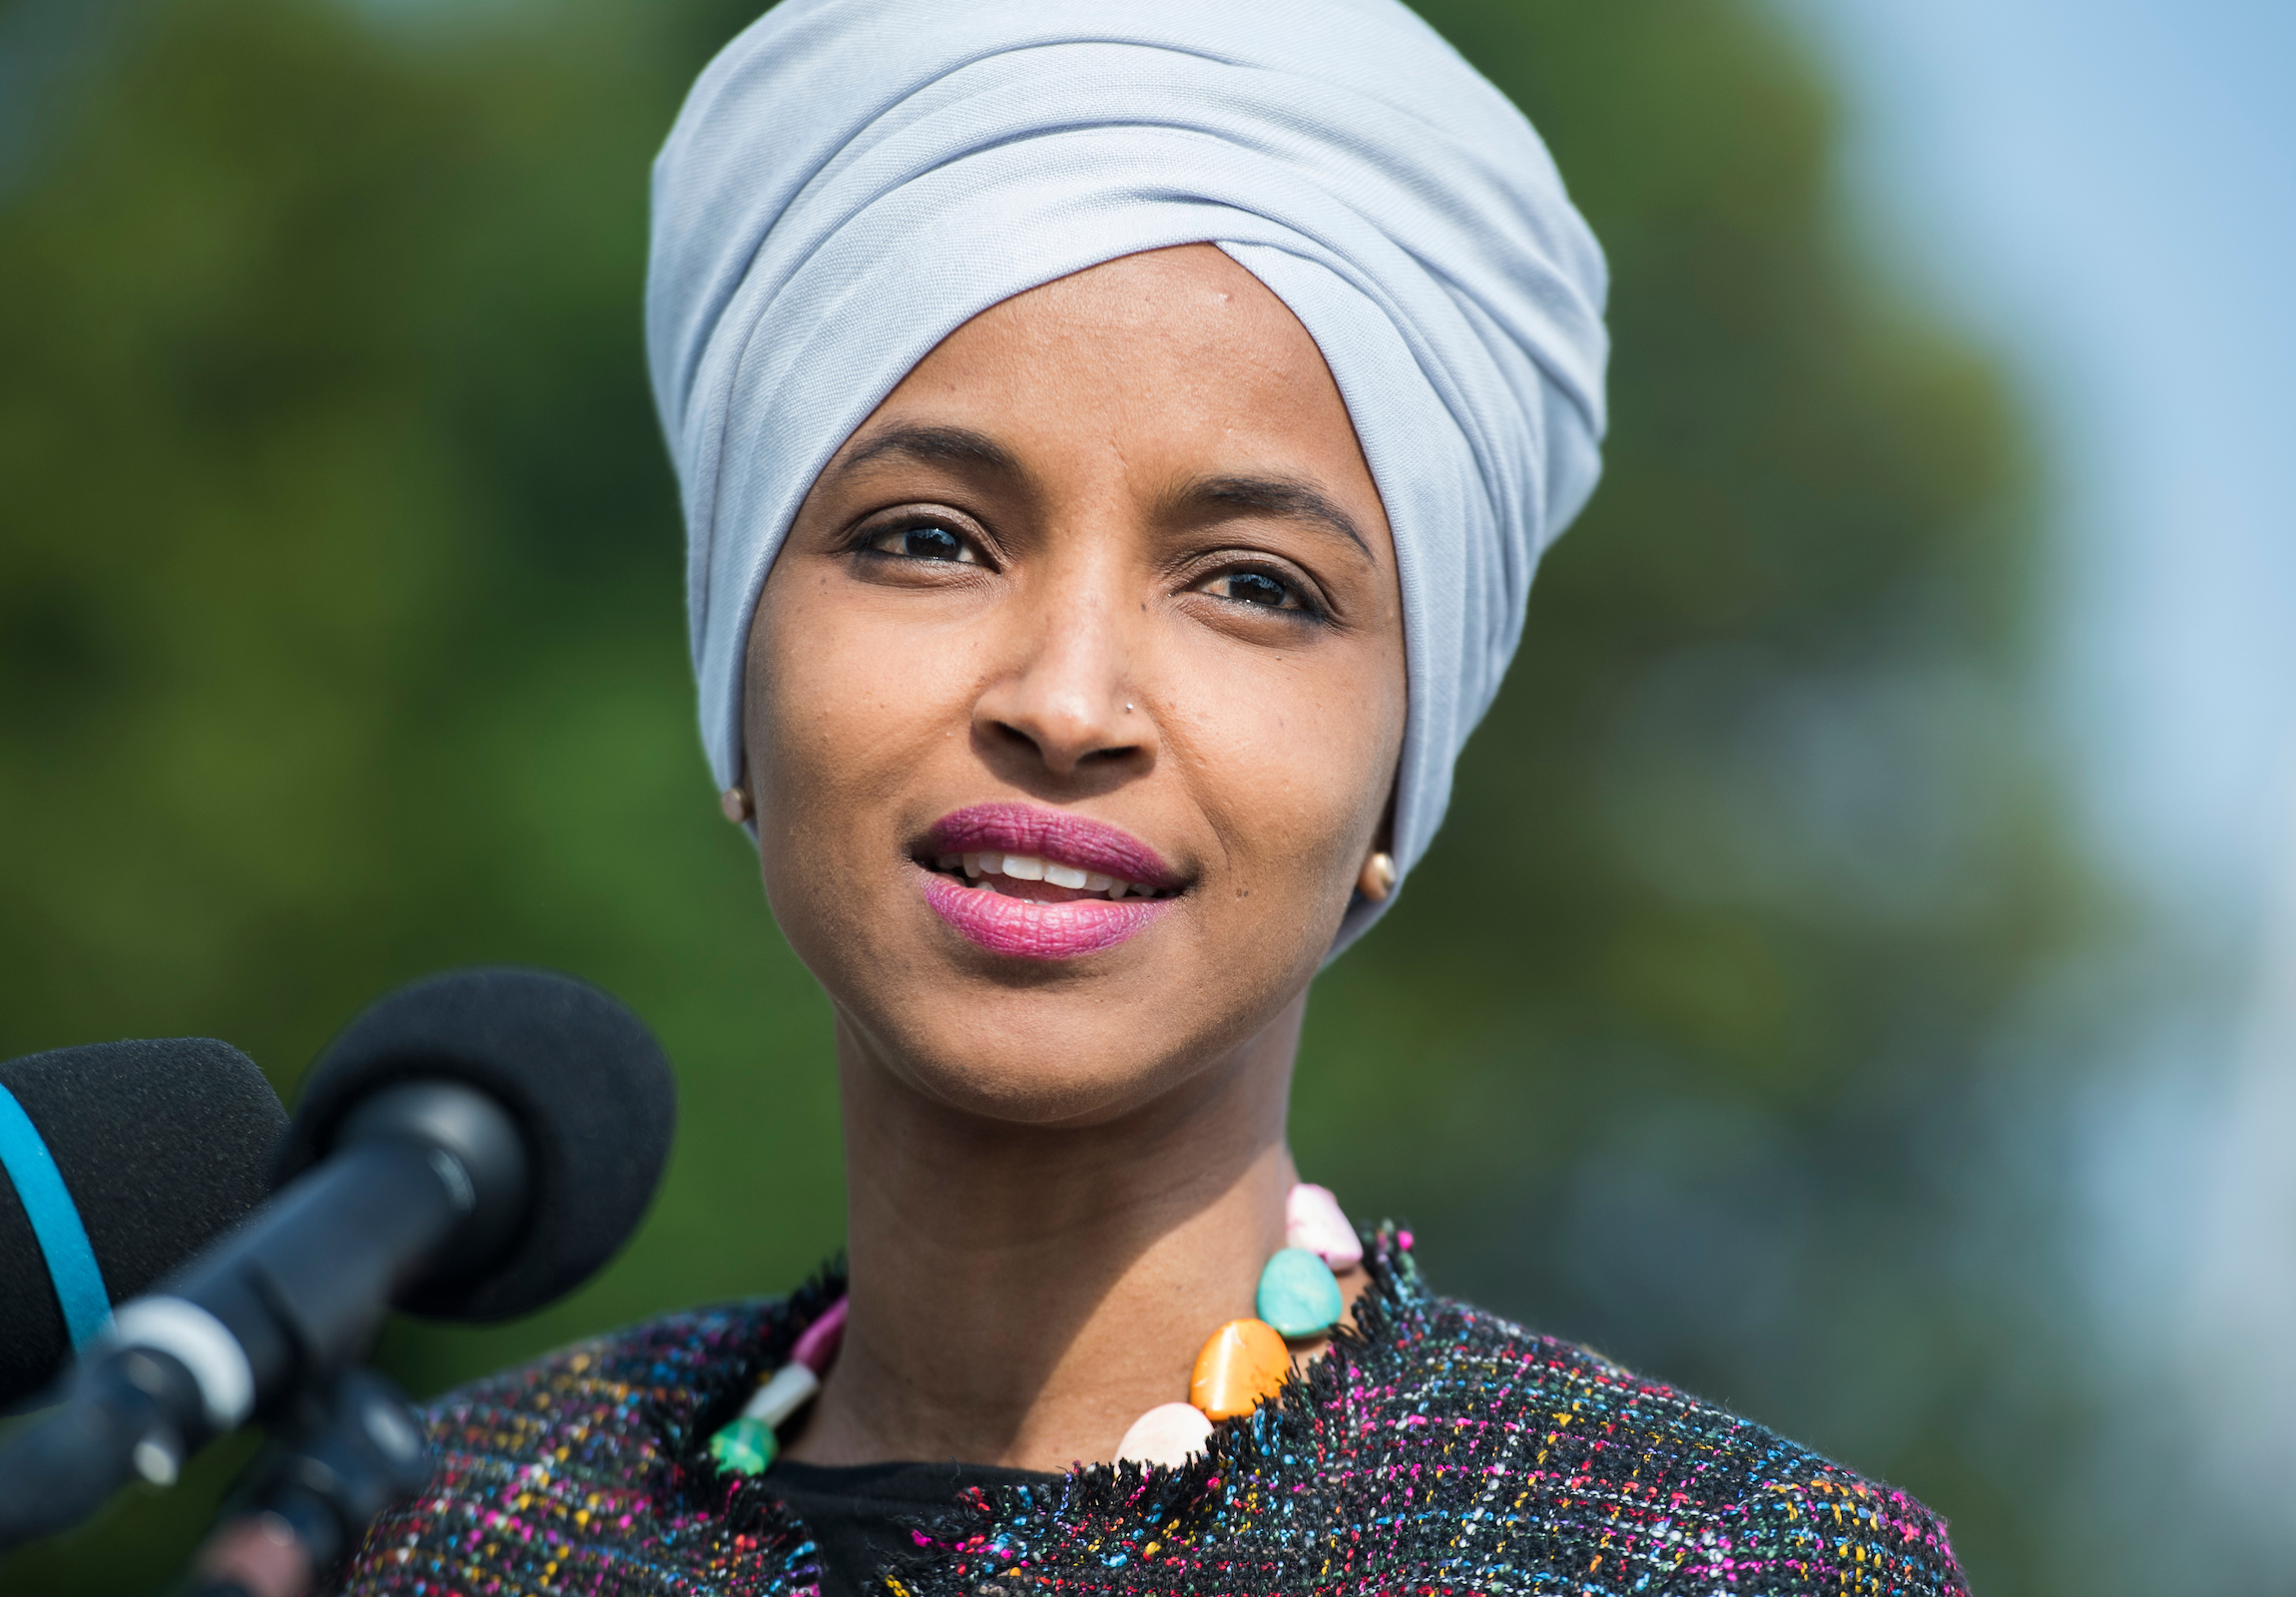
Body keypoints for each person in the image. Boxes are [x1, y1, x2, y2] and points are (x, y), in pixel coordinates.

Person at [339, 1, 1971, 1592]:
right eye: (927, 538)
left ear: (1405, 772)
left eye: (1253, 585)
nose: (1063, 703)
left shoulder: (1706, 1567)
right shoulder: (441, 1532)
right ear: (736, 679)